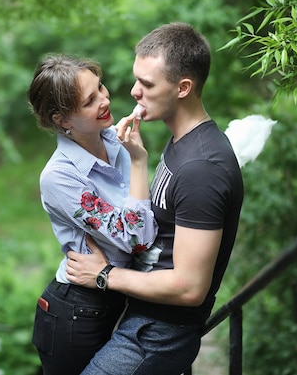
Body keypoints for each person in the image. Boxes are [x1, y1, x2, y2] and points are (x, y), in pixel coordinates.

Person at [66, 22, 245, 375]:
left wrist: (104, 275)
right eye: (136, 80)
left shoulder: (201, 168)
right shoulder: (182, 142)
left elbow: (190, 287)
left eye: (146, 84)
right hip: (143, 319)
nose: (134, 92)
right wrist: (137, 158)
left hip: (158, 335)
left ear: (183, 88)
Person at [27, 54, 159, 375]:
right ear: (62, 120)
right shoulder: (59, 176)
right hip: (77, 311)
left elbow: (146, 213)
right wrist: (139, 162)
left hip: (114, 292)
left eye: (100, 88)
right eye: (89, 101)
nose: (104, 100)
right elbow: (135, 237)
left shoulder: (115, 140)